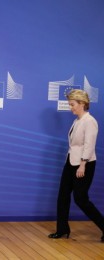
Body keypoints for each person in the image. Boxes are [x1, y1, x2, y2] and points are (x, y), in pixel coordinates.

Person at [48, 89, 104, 243]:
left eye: (72, 104)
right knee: (62, 196)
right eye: (69, 104)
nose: (70, 107)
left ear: (82, 104)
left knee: (80, 199)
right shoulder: (77, 121)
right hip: (70, 162)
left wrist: (82, 165)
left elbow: (89, 145)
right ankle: (62, 229)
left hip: (83, 164)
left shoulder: (90, 121)